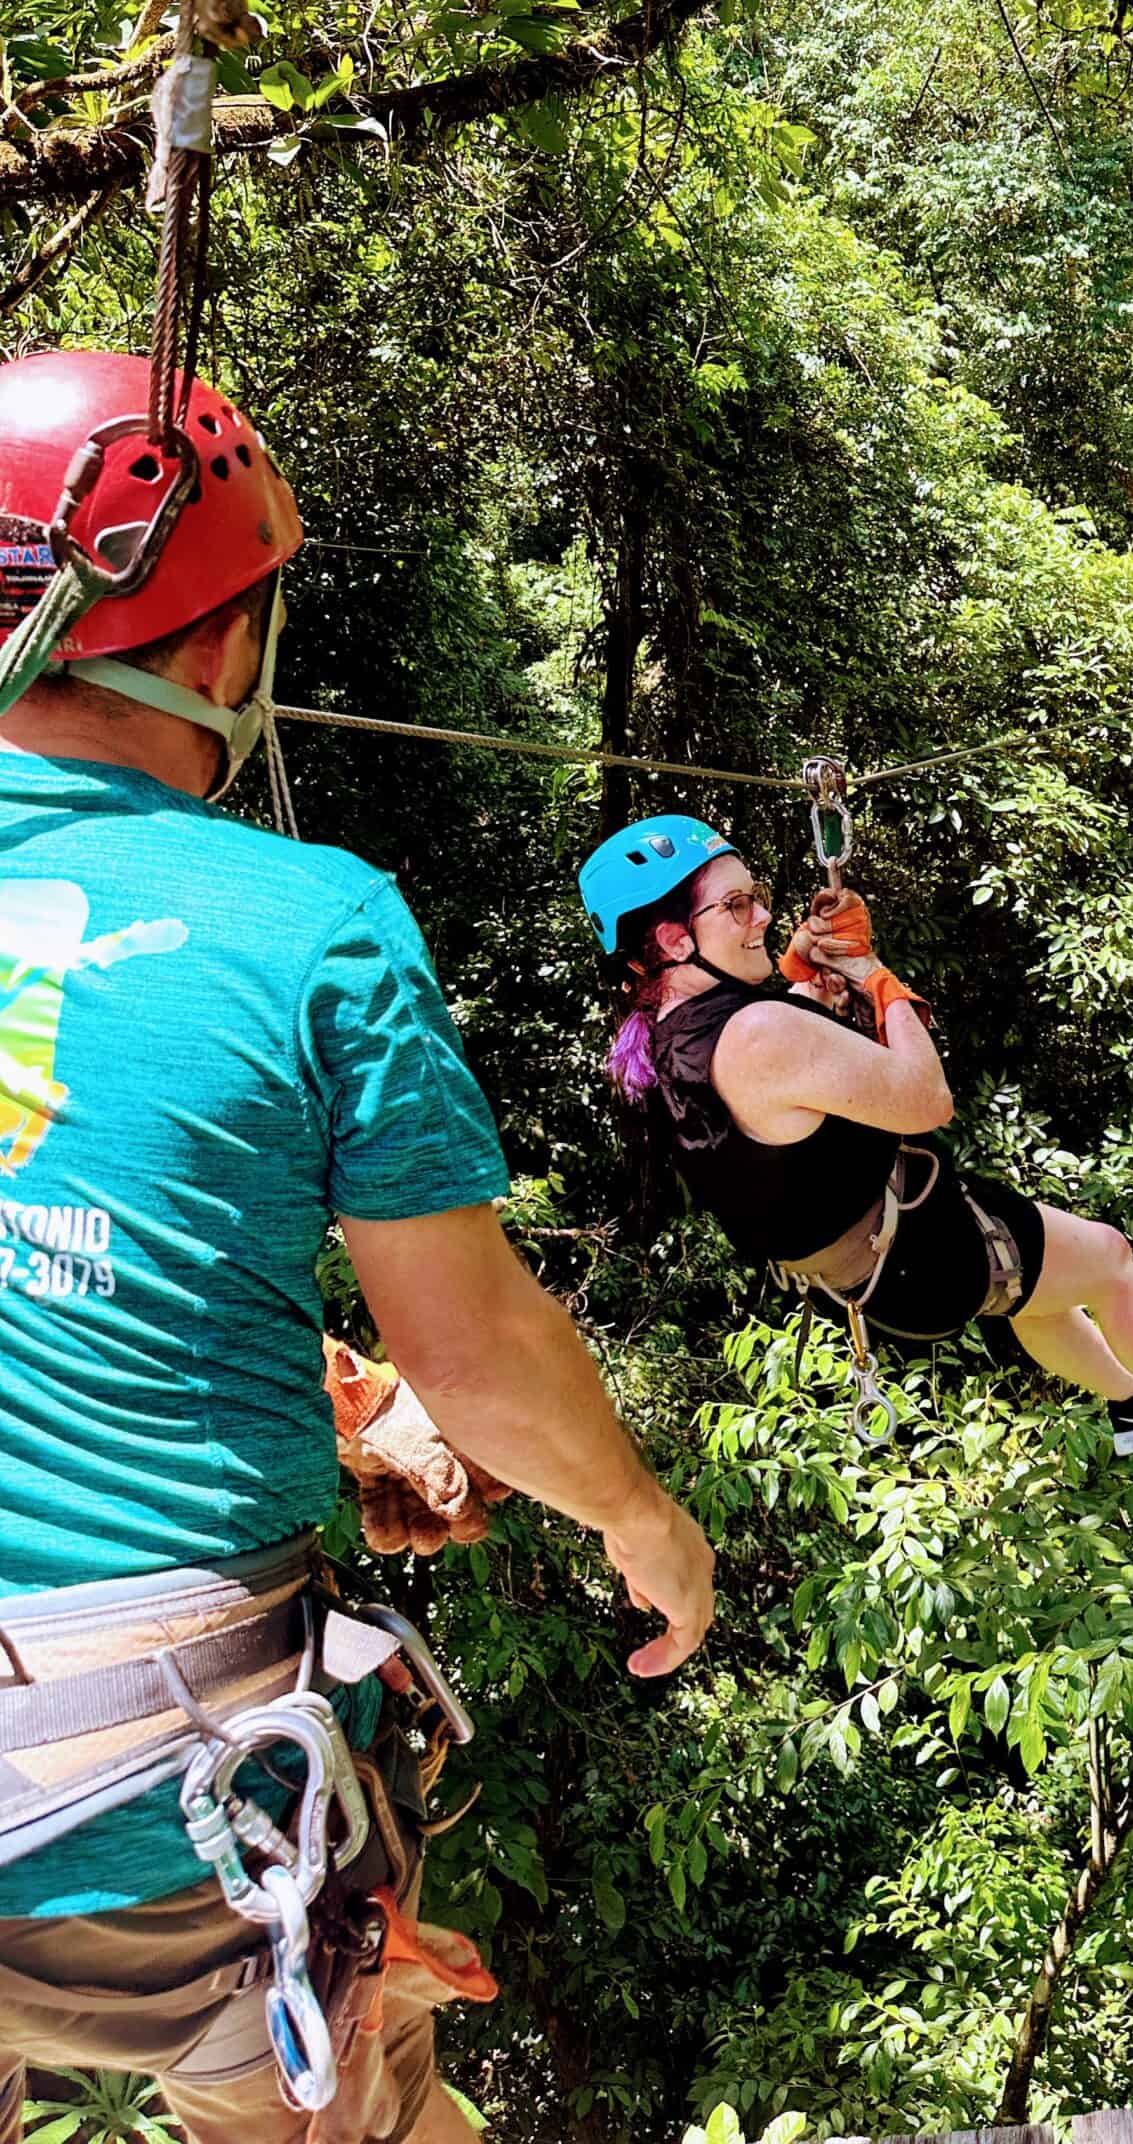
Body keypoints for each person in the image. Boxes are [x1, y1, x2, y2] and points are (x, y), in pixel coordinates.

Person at [0, 352, 714, 2144]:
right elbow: (480, 1353)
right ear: (226, 651)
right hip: (153, 1831)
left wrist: (353, 1404)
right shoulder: (306, 922)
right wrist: (643, 1521)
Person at [580, 815, 1133, 1476]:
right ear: (675, 940)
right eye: (737, 907)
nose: (763, 914)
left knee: (1033, 1290)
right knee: (1107, 1258)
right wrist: (875, 979)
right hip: (922, 1249)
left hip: (866, 1265)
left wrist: (800, 967)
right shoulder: (760, 1035)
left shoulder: (654, 1043)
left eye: (757, 897)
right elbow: (924, 1099)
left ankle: (1132, 1402)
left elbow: (772, 1063)